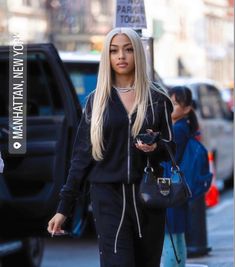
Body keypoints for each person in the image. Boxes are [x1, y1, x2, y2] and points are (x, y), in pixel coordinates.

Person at [47, 27, 175, 267]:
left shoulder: (157, 99)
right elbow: (81, 159)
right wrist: (64, 208)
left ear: (138, 53)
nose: (121, 56)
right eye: (114, 51)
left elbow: (171, 149)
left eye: (128, 50)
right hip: (107, 197)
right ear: (107, 56)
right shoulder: (96, 101)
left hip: (147, 196)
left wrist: (155, 146)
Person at [162, 86, 199, 267]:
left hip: (172, 187)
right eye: (169, 102)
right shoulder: (184, 127)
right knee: (177, 235)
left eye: (175, 104)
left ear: (187, 109)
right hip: (179, 188)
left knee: (170, 236)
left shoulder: (178, 129)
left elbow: (170, 158)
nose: (170, 107)